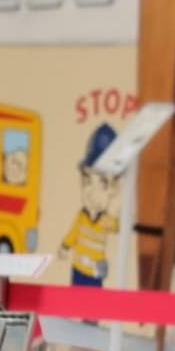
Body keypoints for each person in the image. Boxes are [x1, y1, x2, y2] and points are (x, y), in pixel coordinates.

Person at [60, 123, 120, 287]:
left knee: (93, 305)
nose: (91, 192)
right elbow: (73, 233)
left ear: (112, 188)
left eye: (102, 183)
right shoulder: (82, 216)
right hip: (78, 268)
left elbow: (118, 226)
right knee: (74, 302)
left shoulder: (106, 220)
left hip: (95, 272)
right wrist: (65, 246)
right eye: (87, 181)